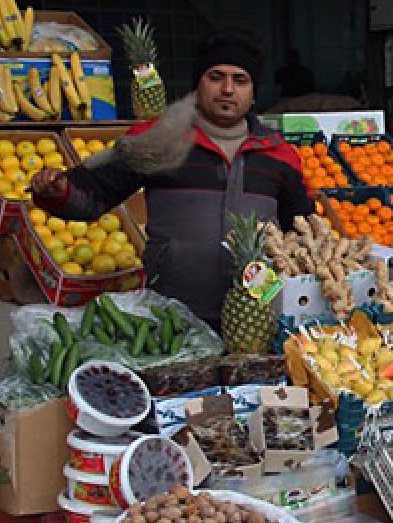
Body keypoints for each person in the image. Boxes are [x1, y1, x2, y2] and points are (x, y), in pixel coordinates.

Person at [30, 30, 314, 330]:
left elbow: (304, 231)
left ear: (253, 92)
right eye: (216, 77)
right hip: (171, 313)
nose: (228, 89)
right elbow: (93, 195)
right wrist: (58, 191)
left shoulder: (280, 154)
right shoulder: (160, 139)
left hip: (257, 316)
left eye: (240, 80)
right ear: (197, 85)